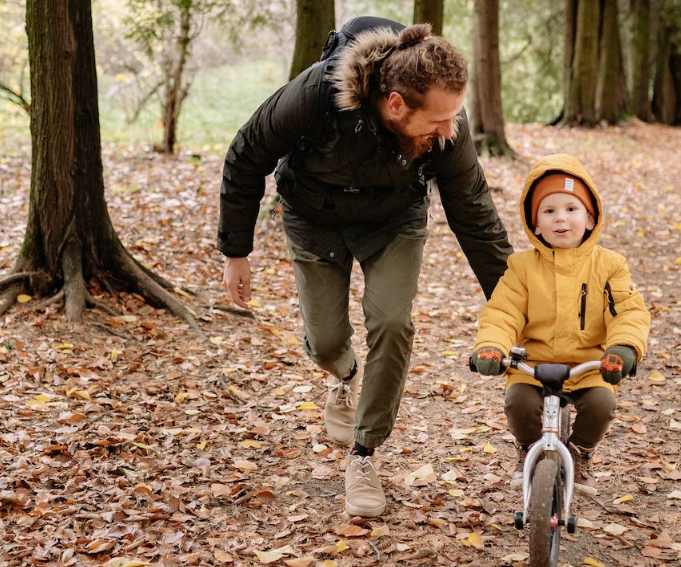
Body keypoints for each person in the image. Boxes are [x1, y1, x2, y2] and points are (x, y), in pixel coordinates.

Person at [218, 17, 512, 517]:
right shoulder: (315, 94)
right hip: (314, 218)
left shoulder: (447, 129)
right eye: (438, 120)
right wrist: (235, 251)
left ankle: (364, 454)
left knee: (392, 321)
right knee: (327, 341)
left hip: (393, 222)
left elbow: (475, 215)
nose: (450, 130)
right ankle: (343, 372)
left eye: (453, 118)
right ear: (396, 103)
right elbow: (247, 154)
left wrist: (515, 303)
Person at [471, 153, 650, 496]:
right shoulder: (522, 267)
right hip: (533, 363)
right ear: (535, 223)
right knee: (518, 403)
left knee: (601, 404)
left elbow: (628, 311)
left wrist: (623, 347)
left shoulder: (610, 266)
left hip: (590, 364)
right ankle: (527, 448)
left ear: (590, 216)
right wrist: (491, 346)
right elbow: (502, 312)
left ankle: (580, 452)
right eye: (549, 211)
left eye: (571, 208)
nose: (561, 219)